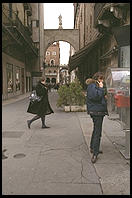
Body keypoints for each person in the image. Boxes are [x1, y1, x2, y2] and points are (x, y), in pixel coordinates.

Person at [86, 72, 108, 163]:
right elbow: (95, 96)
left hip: (99, 110)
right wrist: (101, 88)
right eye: (101, 79)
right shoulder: (92, 86)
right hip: (96, 111)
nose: (102, 81)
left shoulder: (95, 86)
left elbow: (101, 96)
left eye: (103, 79)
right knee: (98, 132)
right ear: (97, 79)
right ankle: (95, 153)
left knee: (96, 129)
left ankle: (92, 147)